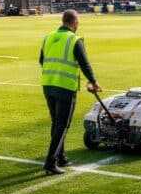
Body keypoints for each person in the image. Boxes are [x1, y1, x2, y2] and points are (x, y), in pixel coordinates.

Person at [39, 9, 101, 175]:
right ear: (75, 23)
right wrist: (93, 82)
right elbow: (84, 64)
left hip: (48, 85)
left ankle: (61, 157)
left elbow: (41, 61)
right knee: (62, 124)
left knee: (56, 122)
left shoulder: (48, 37)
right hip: (65, 87)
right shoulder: (74, 40)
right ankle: (50, 162)